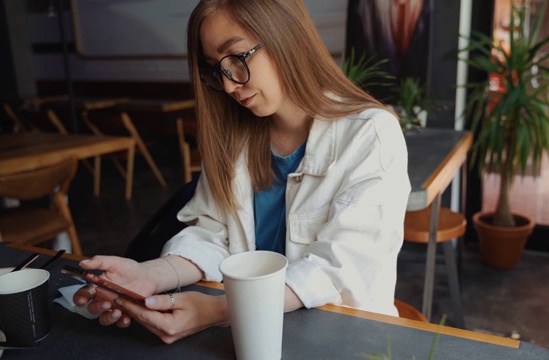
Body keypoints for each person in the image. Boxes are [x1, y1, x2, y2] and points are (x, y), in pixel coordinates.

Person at [73, 0, 410, 344]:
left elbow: (340, 266)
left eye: (237, 58)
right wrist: (149, 275)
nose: (230, 84)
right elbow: (212, 233)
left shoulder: (369, 133)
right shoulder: (235, 137)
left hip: (343, 339)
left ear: (285, 36)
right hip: (252, 337)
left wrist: (216, 313)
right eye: (216, 69)